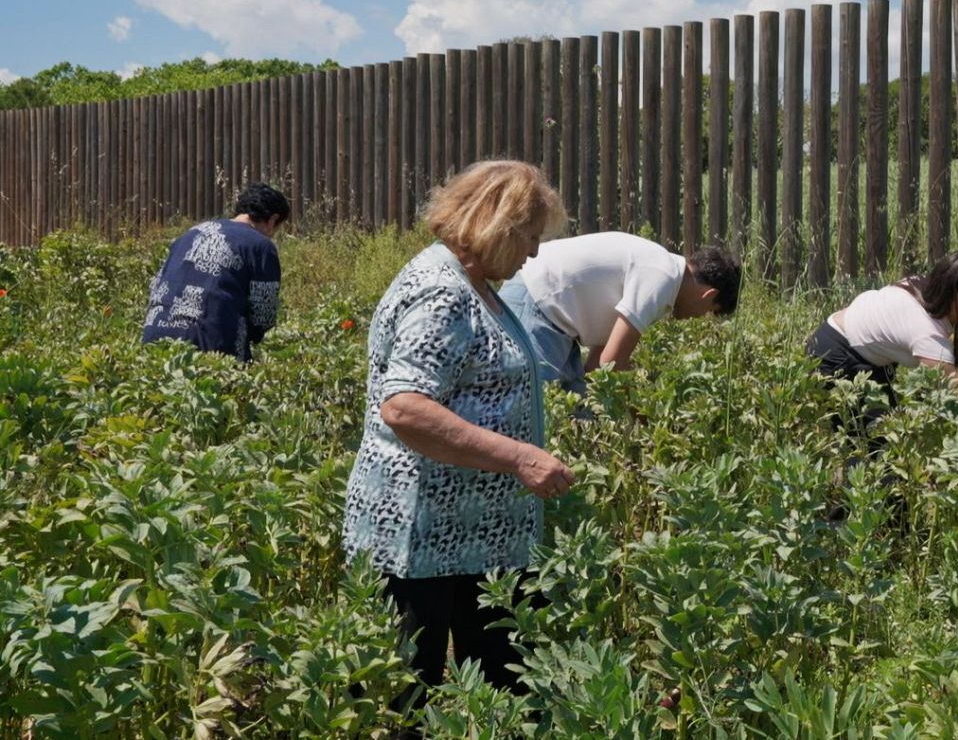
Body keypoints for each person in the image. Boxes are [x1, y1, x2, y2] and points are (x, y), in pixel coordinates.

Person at [341, 160, 576, 704]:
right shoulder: (442, 291)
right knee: (400, 696)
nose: (535, 253)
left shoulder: (473, 285)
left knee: (498, 688)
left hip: (472, 536)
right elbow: (405, 407)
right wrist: (520, 457)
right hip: (422, 533)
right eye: (531, 238)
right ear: (500, 227)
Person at [498, 232, 741, 395]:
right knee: (538, 413)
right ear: (708, 295)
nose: (698, 318)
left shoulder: (662, 273)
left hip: (553, 318)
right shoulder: (663, 277)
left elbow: (596, 367)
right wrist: (645, 406)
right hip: (536, 303)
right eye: (709, 312)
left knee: (579, 417)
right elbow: (610, 366)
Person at [805, 251, 958, 433]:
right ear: (948, 294)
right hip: (834, 355)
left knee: (886, 434)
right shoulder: (926, 332)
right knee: (879, 444)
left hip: (856, 350)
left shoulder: (924, 287)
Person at [141, 183, 289, 362]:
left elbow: (156, 284)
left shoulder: (190, 234)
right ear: (273, 220)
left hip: (154, 338)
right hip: (210, 347)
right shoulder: (261, 246)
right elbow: (262, 316)